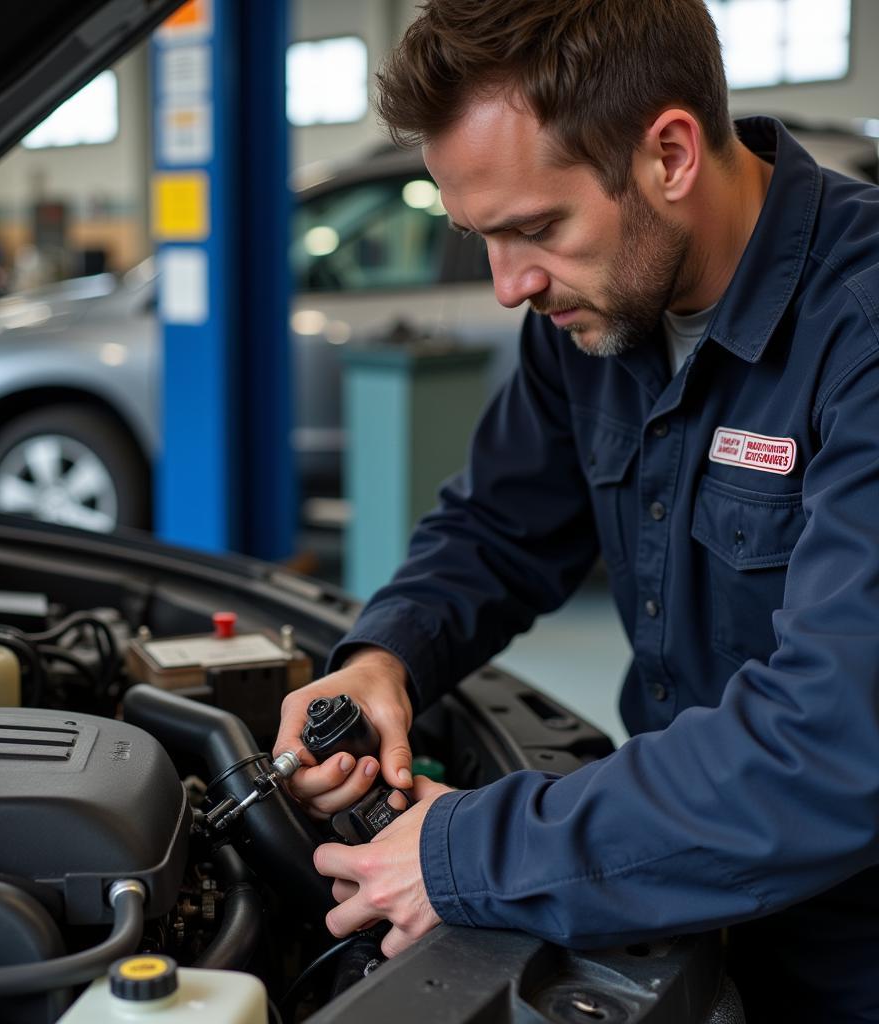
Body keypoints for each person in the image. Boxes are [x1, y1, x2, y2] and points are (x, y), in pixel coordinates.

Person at [273, 1, 879, 1018]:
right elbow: (495, 526)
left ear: (671, 154)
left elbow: (832, 744)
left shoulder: (858, 338)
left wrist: (467, 851)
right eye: (480, 238)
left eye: (535, 228)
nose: (510, 286)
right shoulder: (598, 311)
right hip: (682, 900)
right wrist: (383, 655)